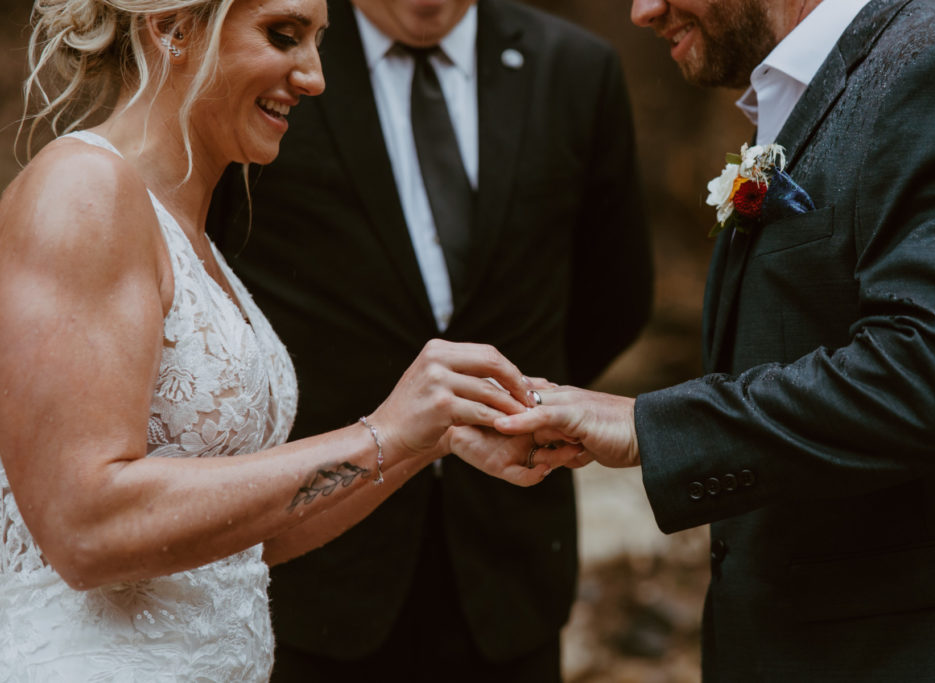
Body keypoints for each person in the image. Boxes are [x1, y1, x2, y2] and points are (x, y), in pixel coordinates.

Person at [0, 0, 576, 679]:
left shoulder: (195, 235)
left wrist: (429, 436)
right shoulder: (83, 190)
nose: (314, 76)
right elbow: (84, 528)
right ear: (172, 28)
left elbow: (242, 538)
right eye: (284, 36)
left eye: (318, 41)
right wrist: (380, 434)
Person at [495, 0, 935, 679]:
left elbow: (934, 375)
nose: (641, 11)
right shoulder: (805, 93)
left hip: (910, 652)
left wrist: (650, 428)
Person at [207, 0, 651, 679]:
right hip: (316, 565)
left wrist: (505, 408)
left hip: (511, 562)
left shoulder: (575, 69)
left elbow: (615, 293)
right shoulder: (277, 66)